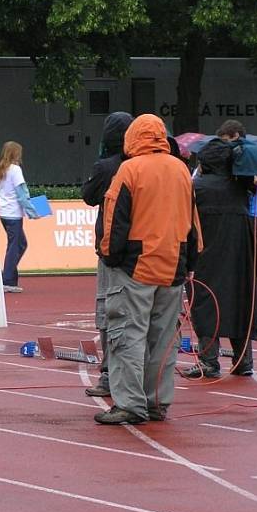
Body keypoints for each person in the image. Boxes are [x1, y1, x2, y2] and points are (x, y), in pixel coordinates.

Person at [96, 113, 201, 424]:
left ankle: (129, 403)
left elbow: (115, 221)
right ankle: (157, 401)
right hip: (173, 266)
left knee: (127, 335)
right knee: (164, 340)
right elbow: (193, 222)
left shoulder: (130, 169)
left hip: (136, 268)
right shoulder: (181, 169)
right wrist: (190, 262)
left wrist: (111, 257)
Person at [182, 120, 257, 378]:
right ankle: (243, 361)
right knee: (242, 302)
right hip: (240, 258)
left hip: (206, 258)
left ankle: (209, 361)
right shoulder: (241, 188)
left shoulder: (197, 188)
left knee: (205, 304)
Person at [81, 112, 134, 397]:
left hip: (111, 249)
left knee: (107, 311)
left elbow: (88, 196)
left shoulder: (106, 167)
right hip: (143, 250)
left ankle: (108, 376)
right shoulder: (146, 165)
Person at [0, 141, 39, 293]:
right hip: (13, 213)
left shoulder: (0, 165)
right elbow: (21, 194)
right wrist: (32, 212)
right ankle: (7, 279)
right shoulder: (15, 169)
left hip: (3, 211)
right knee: (15, 246)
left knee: (19, 244)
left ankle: (10, 277)